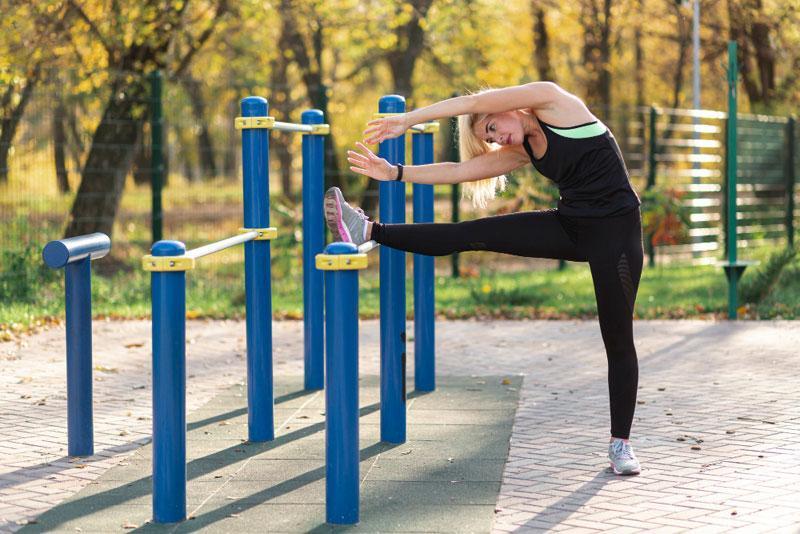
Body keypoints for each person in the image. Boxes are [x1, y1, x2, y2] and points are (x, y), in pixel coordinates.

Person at [323, 82, 643, 475]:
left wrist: (408, 119)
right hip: (570, 226)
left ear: (510, 107)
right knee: (470, 233)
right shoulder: (522, 149)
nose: (496, 138)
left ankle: (620, 444)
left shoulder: (554, 102)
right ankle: (370, 230)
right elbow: (460, 171)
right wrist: (395, 172)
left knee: (617, 337)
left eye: (492, 127)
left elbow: (472, 102)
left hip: (617, 234)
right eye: (489, 137)